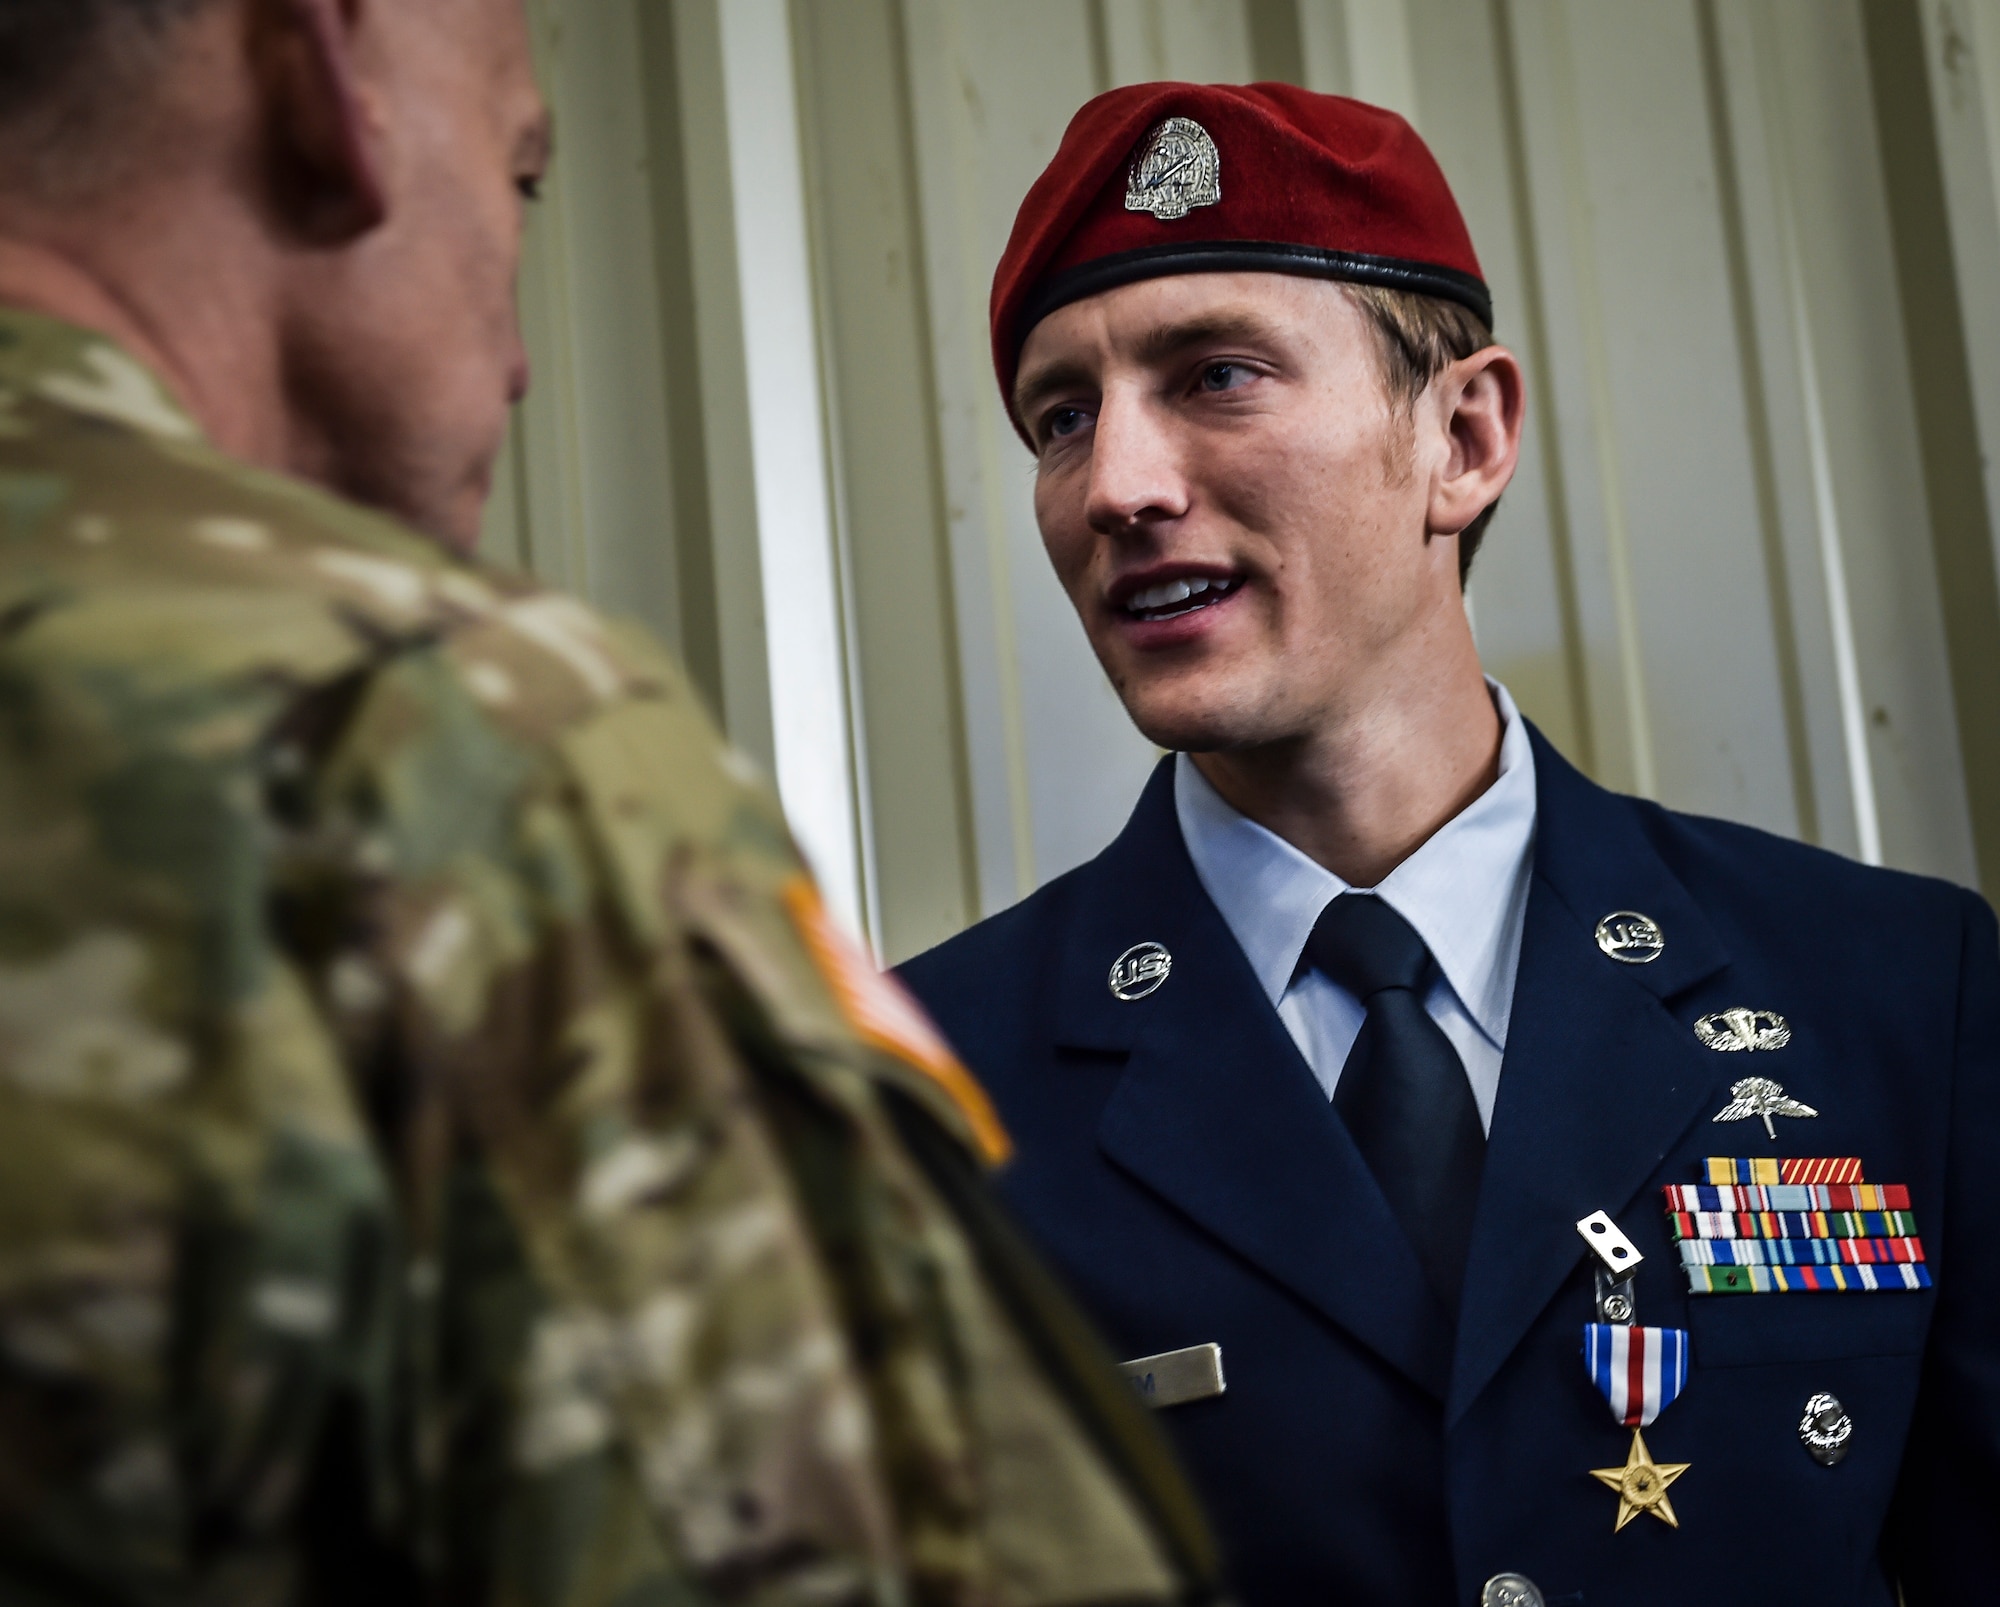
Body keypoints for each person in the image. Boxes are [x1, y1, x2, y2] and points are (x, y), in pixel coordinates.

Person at [0, 4, 1223, 1603]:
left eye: (1220, 377)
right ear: (325, 69)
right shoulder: (419, 745)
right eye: (522, 177)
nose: (518, 357)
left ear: (1466, 436)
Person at [898, 80, 2000, 1607]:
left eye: (1216, 376)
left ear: (1463, 437)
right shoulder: (916, 1090)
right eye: (1061, 417)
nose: (1116, 487)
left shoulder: (1895, 993)